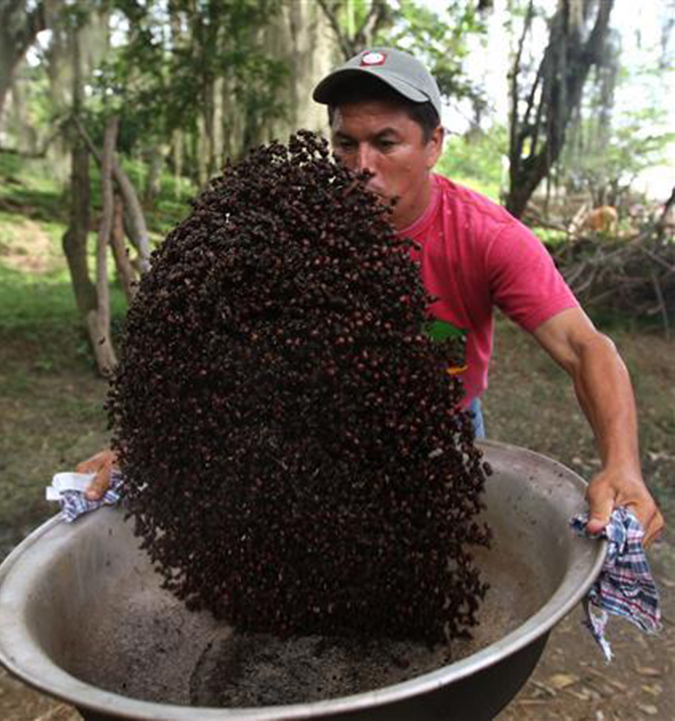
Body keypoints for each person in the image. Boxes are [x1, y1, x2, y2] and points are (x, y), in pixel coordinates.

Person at [79, 47, 664, 547]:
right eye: (345, 144)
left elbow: (586, 347)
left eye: (387, 143)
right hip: (322, 422)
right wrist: (143, 443)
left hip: (445, 425)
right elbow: (216, 342)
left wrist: (622, 465)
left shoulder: (488, 238)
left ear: (433, 143)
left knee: (438, 556)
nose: (362, 167)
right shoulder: (294, 226)